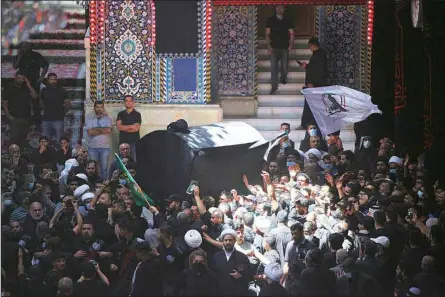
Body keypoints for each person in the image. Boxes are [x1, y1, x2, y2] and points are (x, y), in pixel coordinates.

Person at [12, 41, 49, 127]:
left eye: (25, 46)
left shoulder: (36, 56)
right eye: (22, 46)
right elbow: (15, 66)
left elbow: (45, 66)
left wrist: (42, 77)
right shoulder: (19, 56)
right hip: (22, 83)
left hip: (34, 81)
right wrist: (19, 57)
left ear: (29, 47)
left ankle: (38, 123)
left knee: (35, 103)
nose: (23, 48)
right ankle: (26, 122)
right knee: (23, 103)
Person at [3, 71, 38, 147]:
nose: (20, 80)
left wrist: (28, 84)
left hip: (25, 118)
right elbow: (5, 103)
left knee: (23, 140)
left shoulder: (26, 87)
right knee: (14, 140)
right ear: (15, 78)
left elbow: (35, 96)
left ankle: (22, 157)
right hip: (14, 118)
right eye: (19, 78)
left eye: (22, 78)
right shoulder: (9, 87)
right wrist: (9, 116)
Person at [300, 37, 328, 129]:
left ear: (313, 45)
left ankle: (306, 124)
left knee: (309, 107)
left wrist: (311, 83)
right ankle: (307, 124)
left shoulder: (320, 55)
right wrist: (307, 66)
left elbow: (320, 72)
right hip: (313, 86)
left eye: (310, 46)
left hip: (315, 86)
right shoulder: (317, 54)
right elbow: (314, 69)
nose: (309, 48)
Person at [266, 5, 294, 94]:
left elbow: (292, 33)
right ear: (275, 8)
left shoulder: (288, 20)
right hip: (274, 47)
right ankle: (274, 87)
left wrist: (291, 45)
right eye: (277, 7)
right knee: (273, 67)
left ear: (284, 9)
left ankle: (283, 78)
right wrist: (268, 46)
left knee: (284, 66)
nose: (279, 9)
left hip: (284, 47)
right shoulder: (270, 19)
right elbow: (267, 34)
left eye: (281, 7)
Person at [85, 101, 112, 179]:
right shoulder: (89, 118)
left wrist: (95, 129)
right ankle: (93, 185)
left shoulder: (108, 118)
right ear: (94, 108)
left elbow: (108, 130)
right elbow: (90, 132)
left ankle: (103, 186)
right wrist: (102, 130)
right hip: (92, 148)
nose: (99, 109)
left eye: (101, 107)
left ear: (103, 108)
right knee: (92, 169)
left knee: (104, 169)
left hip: (105, 148)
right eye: (97, 107)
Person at [41, 73, 70, 144]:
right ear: (48, 80)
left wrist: (62, 113)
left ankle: (59, 154)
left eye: (55, 79)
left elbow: (67, 104)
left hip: (58, 119)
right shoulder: (44, 90)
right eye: (51, 79)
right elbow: (41, 103)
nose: (53, 81)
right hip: (46, 119)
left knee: (59, 141)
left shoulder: (62, 90)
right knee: (45, 141)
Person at [116, 95, 142, 162]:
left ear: (133, 102)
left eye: (130, 101)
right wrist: (131, 126)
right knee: (122, 163)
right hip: (123, 142)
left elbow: (136, 129)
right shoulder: (120, 114)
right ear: (124, 102)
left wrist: (124, 127)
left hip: (134, 143)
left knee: (134, 162)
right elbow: (119, 127)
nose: (128, 102)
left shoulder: (137, 114)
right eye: (126, 101)